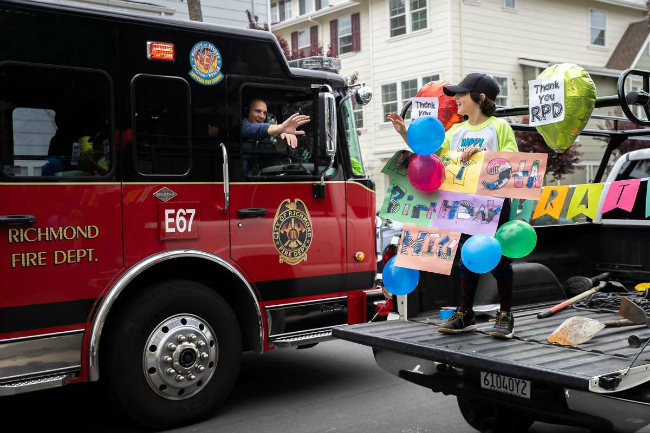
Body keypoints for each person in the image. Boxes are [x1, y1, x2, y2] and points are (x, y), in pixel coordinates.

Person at [434, 73, 519, 339]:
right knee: (466, 258)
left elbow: (514, 160)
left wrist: (482, 155)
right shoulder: (456, 131)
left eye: (461, 93)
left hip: (494, 202)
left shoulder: (499, 126)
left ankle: (505, 314)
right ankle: (465, 314)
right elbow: (435, 158)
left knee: (499, 258)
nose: (456, 98)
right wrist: (406, 135)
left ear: (480, 98)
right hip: (463, 203)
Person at [242, 98, 309, 149]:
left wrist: (278, 146)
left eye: (264, 113)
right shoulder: (242, 126)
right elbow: (256, 129)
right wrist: (281, 128)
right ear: (246, 111)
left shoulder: (265, 137)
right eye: (258, 111)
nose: (262, 116)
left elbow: (264, 154)